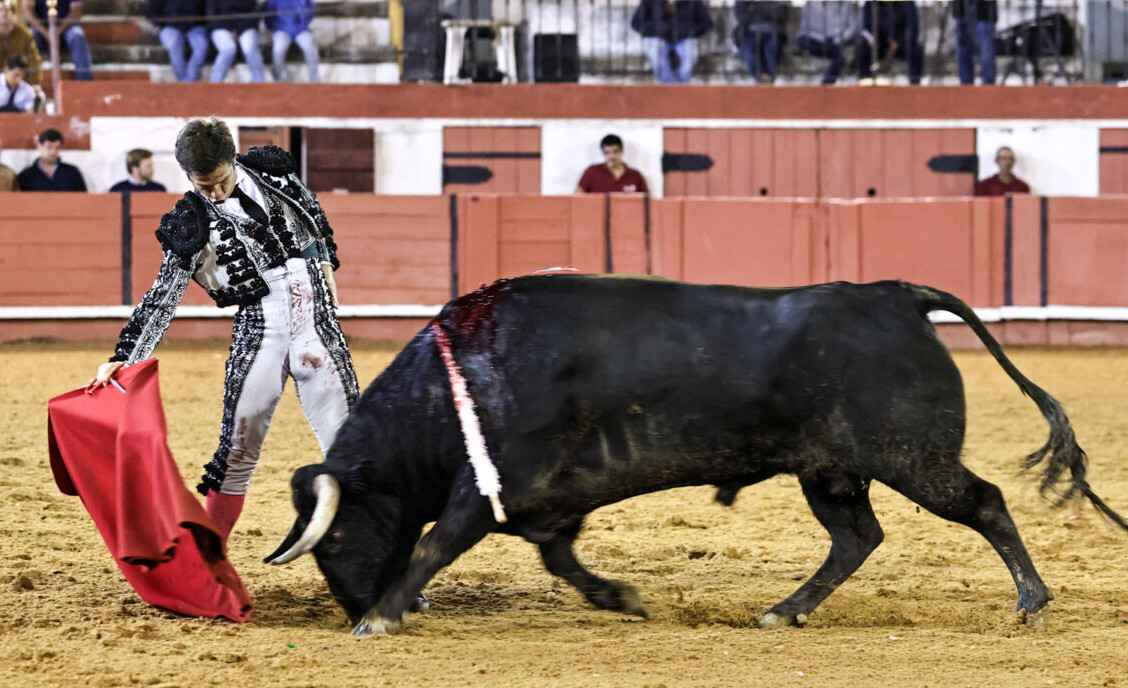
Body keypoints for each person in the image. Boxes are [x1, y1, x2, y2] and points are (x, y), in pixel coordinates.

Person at [86, 117, 358, 543]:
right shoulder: (189, 221)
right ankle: (210, 562)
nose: (213, 193)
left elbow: (311, 213)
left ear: (233, 159)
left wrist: (324, 260)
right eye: (202, 185)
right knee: (235, 451)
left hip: (316, 319)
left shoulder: (271, 169)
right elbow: (163, 295)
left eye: (218, 181)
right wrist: (125, 355)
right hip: (259, 326)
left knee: (352, 449)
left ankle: (385, 569)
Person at [630, 0, 713, 84]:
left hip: (684, 38)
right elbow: (636, 23)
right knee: (655, 49)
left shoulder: (693, 2)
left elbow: (706, 23)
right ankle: (667, 82)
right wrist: (656, 30)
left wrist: (689, 31)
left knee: (689, 54)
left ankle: (682, 82)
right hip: (659, 38)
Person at [25, 0, 94, 82]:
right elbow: (27, 11)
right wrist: (47, 33)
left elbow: (77, 11)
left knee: (77, 35)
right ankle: (30, 84)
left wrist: (57, 32)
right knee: (30, 34)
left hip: (67, 27)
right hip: (41, 30)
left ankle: (85, 82)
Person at [857, 0, 923, 85]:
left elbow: (913, 28)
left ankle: (914, 81)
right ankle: (866, 78)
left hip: (900, 43)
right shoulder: (871, 3)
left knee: (916, 47)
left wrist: (898, 42)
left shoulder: (907, 3)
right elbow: (865, 28)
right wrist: (871, 39)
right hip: (878, 43)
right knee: (863, 46)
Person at [796, 0, 861, 85]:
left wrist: (838, 39)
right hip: (815, 39)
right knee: (801, 41)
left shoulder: (846, 4)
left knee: (840, 54)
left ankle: (827, 84)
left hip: (836, 40)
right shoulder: (811, 3)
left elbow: (852, 27)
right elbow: (804, 27)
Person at [148, 0, 210, 83]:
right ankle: (184, 81)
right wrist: (164, 23)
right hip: (170, 26)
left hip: (196, 27)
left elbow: (209, 9)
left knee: (202, 46)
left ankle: (189, 80)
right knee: (174, 44)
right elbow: (151, 12)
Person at [207, 0, 265, 82]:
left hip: (245, 27)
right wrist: (231, 28)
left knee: (250, 48)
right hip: (221, 27)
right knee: (228, 49)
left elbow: (254, 15)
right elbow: (212, 17)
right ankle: (215, 84)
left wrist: (238, 30)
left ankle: (261, 84)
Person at [732, 1, 788, 83]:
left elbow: (781, 14)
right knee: (749, 53)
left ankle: (768, 77)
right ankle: (760, 77)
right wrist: (767, 11)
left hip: (772, 34)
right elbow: (742, 17)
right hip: (749, 35)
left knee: (771, 50)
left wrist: (754, 10)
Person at [575, 134, 649, 194]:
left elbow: (646, 202)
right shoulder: (592, 172)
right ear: (603, 153)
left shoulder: (635, 176)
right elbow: (578, 198)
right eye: (607, 152)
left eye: (615, 151)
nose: (611, 156)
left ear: (622, 152)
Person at [17, 128, 86, 191]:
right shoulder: (26, 176)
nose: (53, 152)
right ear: (39, 146)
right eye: (49, 147)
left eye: (57, 148)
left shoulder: (72, 173)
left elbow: (83, 199)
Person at [267, 0, 318, 82]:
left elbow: (310, 10)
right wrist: (275, 26)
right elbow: (269, 14)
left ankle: (314, 81)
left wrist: (302, 24)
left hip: (301, 30)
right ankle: (278, 81)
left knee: (310, 48)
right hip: (282, 29)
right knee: (278, 49)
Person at [952, 0, 997, 85]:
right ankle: (966, 91)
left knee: (986, 55)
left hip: (984, 11)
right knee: (963, 55)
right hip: (960, 10)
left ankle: (989, 92)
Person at [0, 0, 43, 87]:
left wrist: (35, 83)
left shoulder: (24, 33)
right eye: (0, 10)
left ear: (13, 13)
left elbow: (34, 60)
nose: (4, 13)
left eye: (7, 10)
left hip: (21, 82)